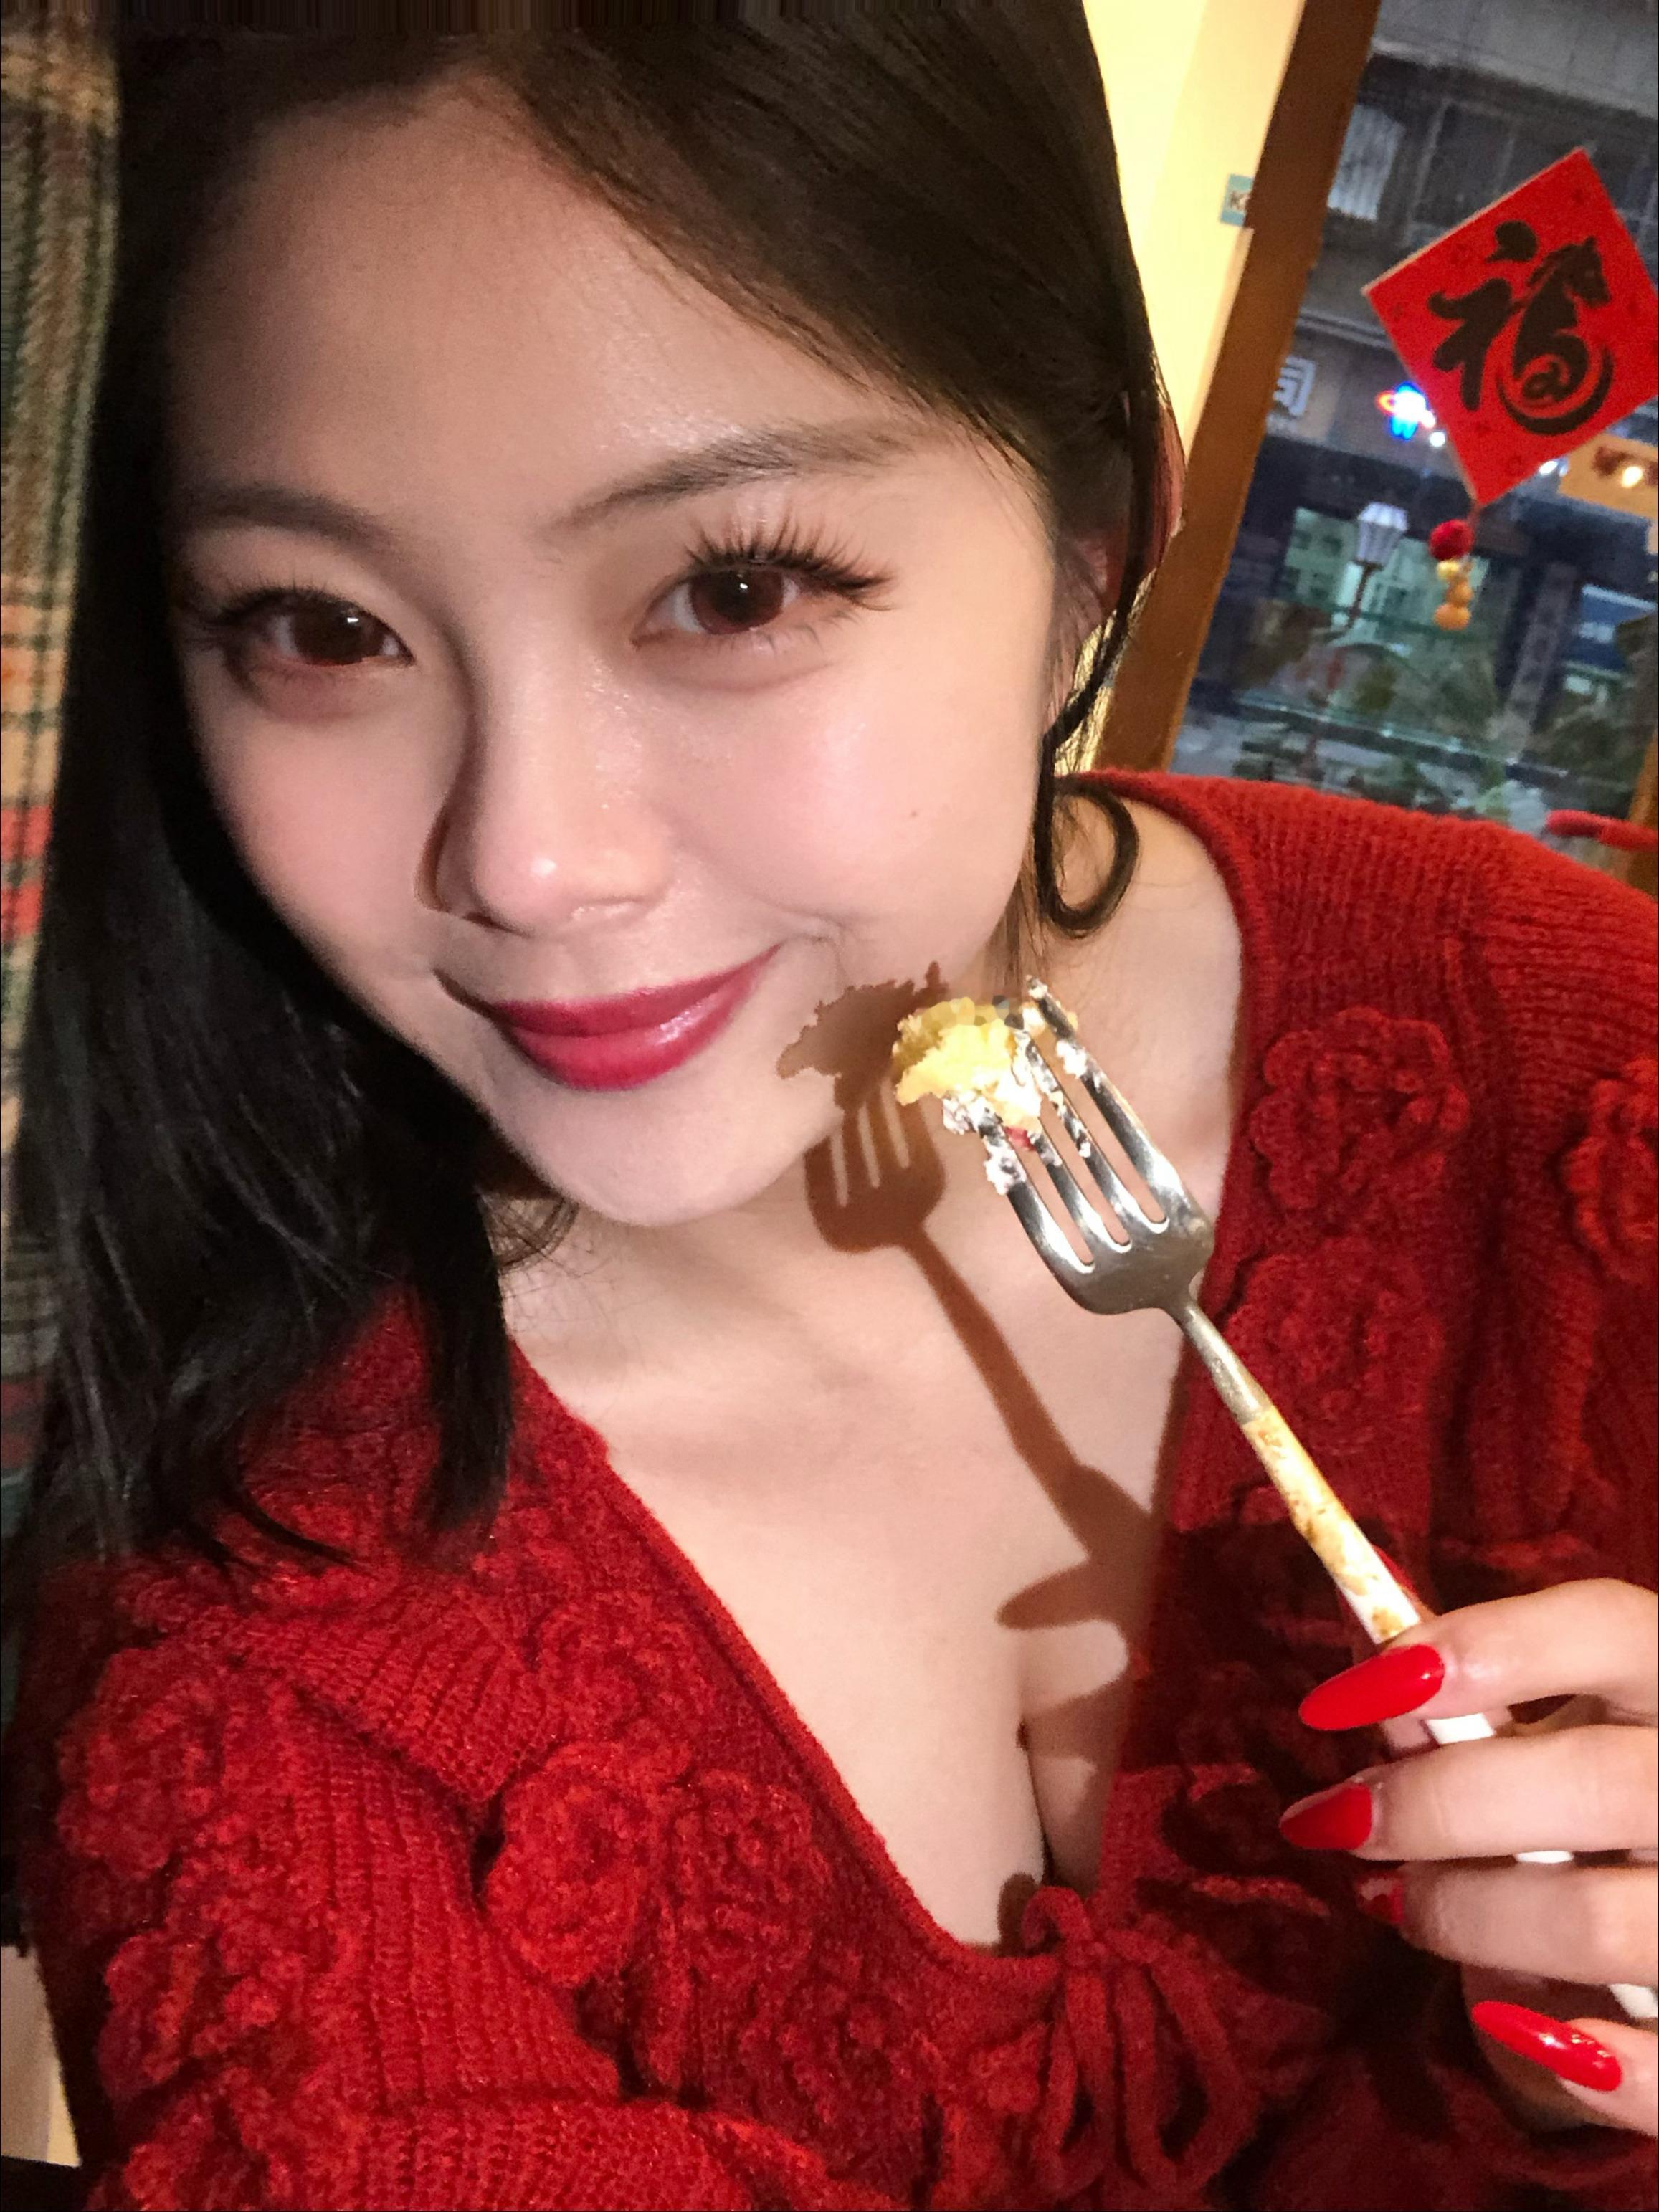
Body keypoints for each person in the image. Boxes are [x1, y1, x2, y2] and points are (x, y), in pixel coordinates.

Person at [1, 13, 1654, 2210]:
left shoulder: (1569, 1066)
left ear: (1096, 541)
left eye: (734, 589)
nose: (531, 861)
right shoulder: (242, 1621)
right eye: (320, 628)